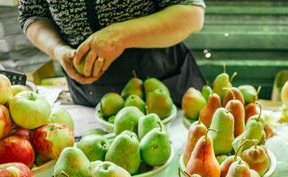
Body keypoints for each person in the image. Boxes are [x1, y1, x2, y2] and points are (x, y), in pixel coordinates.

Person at [18, 1, 206, 106]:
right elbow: (32, 14)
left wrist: (119, 36)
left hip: (166, 85)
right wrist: (58, 49)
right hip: (89, 97)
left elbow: (191, 14)